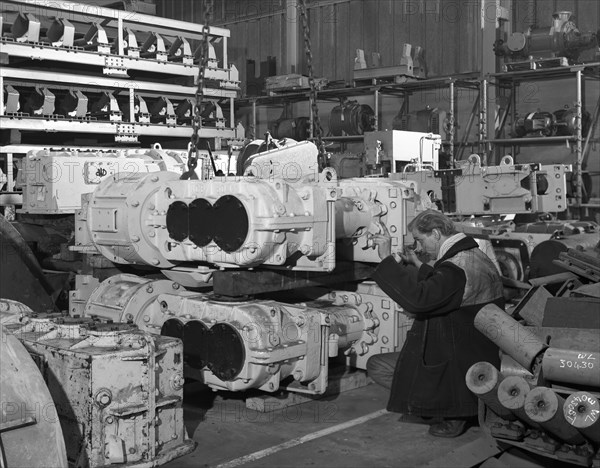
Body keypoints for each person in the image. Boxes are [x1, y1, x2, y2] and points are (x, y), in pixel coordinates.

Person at [368, 209, 504, 438]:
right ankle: (449, 405)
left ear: (436, 233)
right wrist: (418, 265)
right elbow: (446, 286)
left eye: (420, 240)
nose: (419, 247)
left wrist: (386, 260)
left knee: (377, 366)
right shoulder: (473, 256)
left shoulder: (455, 268)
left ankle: (453, 412)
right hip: (478, 352)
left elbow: (419, 300)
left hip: (456, 360)